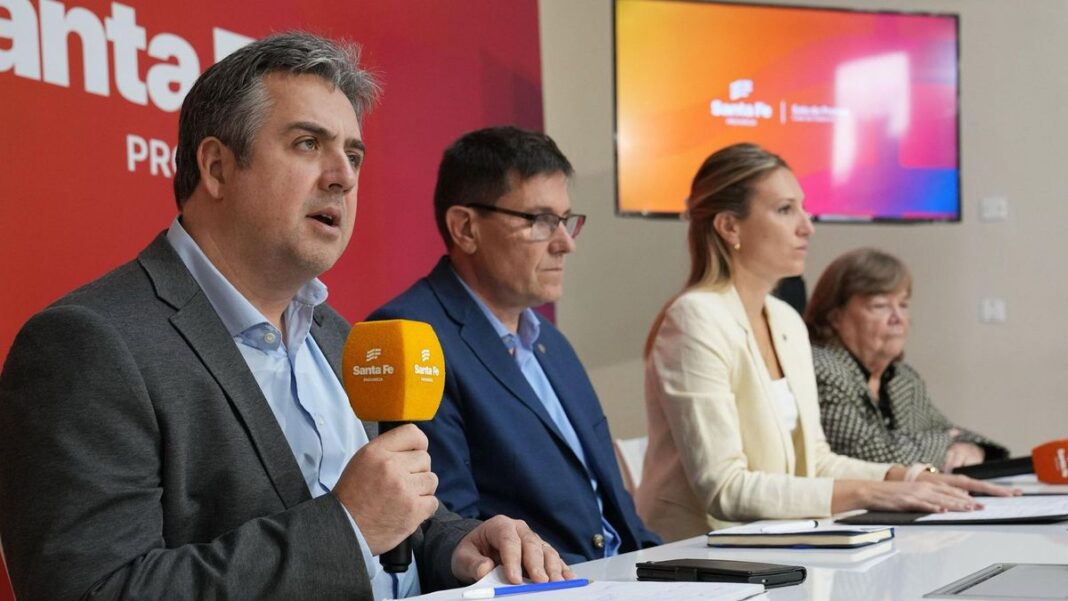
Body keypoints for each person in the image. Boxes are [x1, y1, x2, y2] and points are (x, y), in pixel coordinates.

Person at [0, 33, 569, 601]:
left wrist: (457, 542)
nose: (342, 176)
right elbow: (91, 590)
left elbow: (396, 524)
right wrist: (346, 529)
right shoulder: (88, 343)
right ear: (218, 168)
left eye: (353, 155)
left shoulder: (343, 339)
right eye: (306, 144)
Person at [634, 143, 1017, 542]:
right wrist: (876, 491)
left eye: (803, 207)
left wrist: (913, 477)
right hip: (694, 556)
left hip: (776, 543)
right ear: (730, 226)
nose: (807, 226)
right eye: (785, 210)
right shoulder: (696, 317)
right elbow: (726, 488)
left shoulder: (784, 319)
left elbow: (814, 461)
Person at [367, 126, 661, 564]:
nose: (565, 244)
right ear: (466, 228)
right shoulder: (412, 340)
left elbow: (619, 518)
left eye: (565, 221)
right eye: (541, 221)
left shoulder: (551, 344)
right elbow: (447, 528)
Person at [804, 248, 1009, 470]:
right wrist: (947, 442)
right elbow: (863, 453)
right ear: (835, 317)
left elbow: (943, 427)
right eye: (880, 306)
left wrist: (971, 448)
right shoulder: (823, 368)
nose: (898, 318)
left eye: (903, 305)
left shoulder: (902, 378)